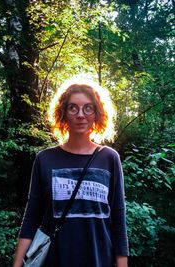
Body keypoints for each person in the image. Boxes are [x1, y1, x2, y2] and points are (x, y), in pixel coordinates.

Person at [13, 77, 129, 267]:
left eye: (88, 108)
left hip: (99, 259)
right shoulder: (45, 159)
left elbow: (118, 218)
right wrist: (17, 263)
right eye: (73, 107)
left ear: (97, 113)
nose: (80, 114)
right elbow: (32, 216)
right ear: (63, 113)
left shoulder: (109, 158)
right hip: (55, 259)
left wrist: (122, 264)